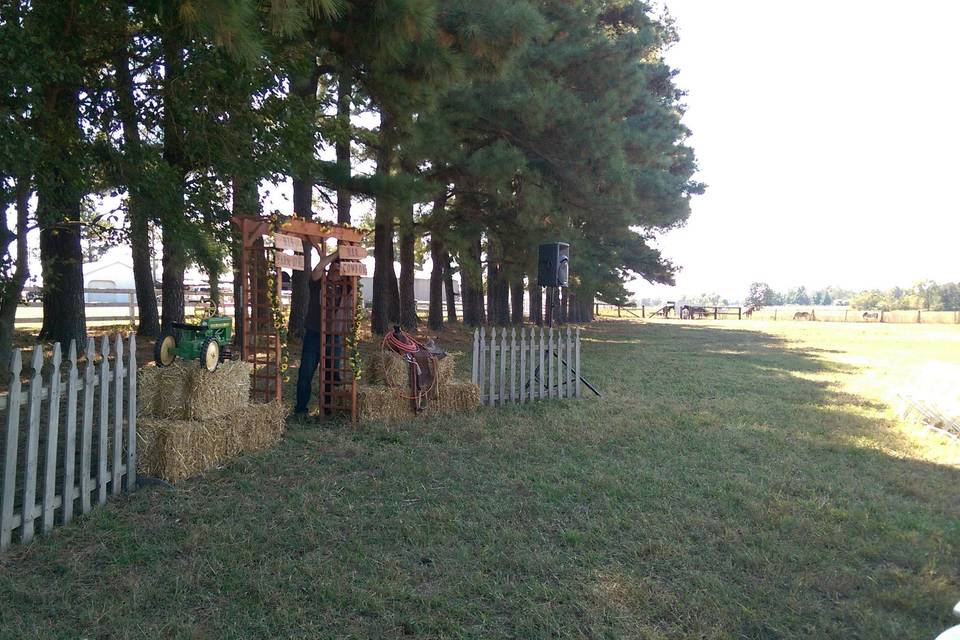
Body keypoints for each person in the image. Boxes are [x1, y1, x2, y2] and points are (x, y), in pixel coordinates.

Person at [294, 244, 339, 416]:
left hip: (333, 335)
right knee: (306, 372)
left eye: (340, 267)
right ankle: (301, 410)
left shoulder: (344, 287)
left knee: (331, 374)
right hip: (314, 332)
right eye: (335, 266)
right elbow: (319, 268)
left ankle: (327, 410)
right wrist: (336, 254)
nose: (338, 270)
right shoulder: (319, 282)